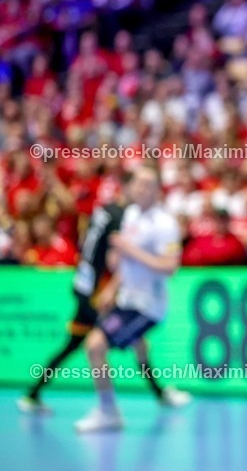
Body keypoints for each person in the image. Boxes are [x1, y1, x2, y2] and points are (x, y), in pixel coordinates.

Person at [18, 185, 190, 415]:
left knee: (123, 343)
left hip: (83, 282)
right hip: (95, 291)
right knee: (98, 344)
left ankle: (34, 393)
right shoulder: (124, 217)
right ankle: (115, 406)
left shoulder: (102, 211)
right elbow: (114, 257)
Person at [74, 165, 184, 433]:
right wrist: (112, 287)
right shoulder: (131, 214)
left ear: (158, 190)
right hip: (126, 299)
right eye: (139, 183)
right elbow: (123, 262)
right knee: (140, 347)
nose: (142, 189)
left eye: (149, 184)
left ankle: (108, 411)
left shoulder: (165, 223)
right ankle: (161, 393)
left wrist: (129, 250)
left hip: (148, 306)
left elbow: (170, 266)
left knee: (95, 346)